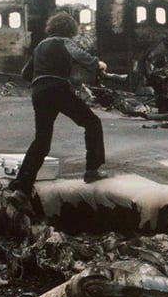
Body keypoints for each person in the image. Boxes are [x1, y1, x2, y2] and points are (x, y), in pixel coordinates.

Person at [9, 11, 109, 196]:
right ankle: (92, 171)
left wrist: (42, 76)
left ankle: (22, 184)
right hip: (58, 90)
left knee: (42, 139)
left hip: (39, 93)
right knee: (92, 123)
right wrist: (98, 64)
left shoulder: (40, 45)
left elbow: (25, 73)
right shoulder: (64, 41)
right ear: (70, 29)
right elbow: (79, 55)